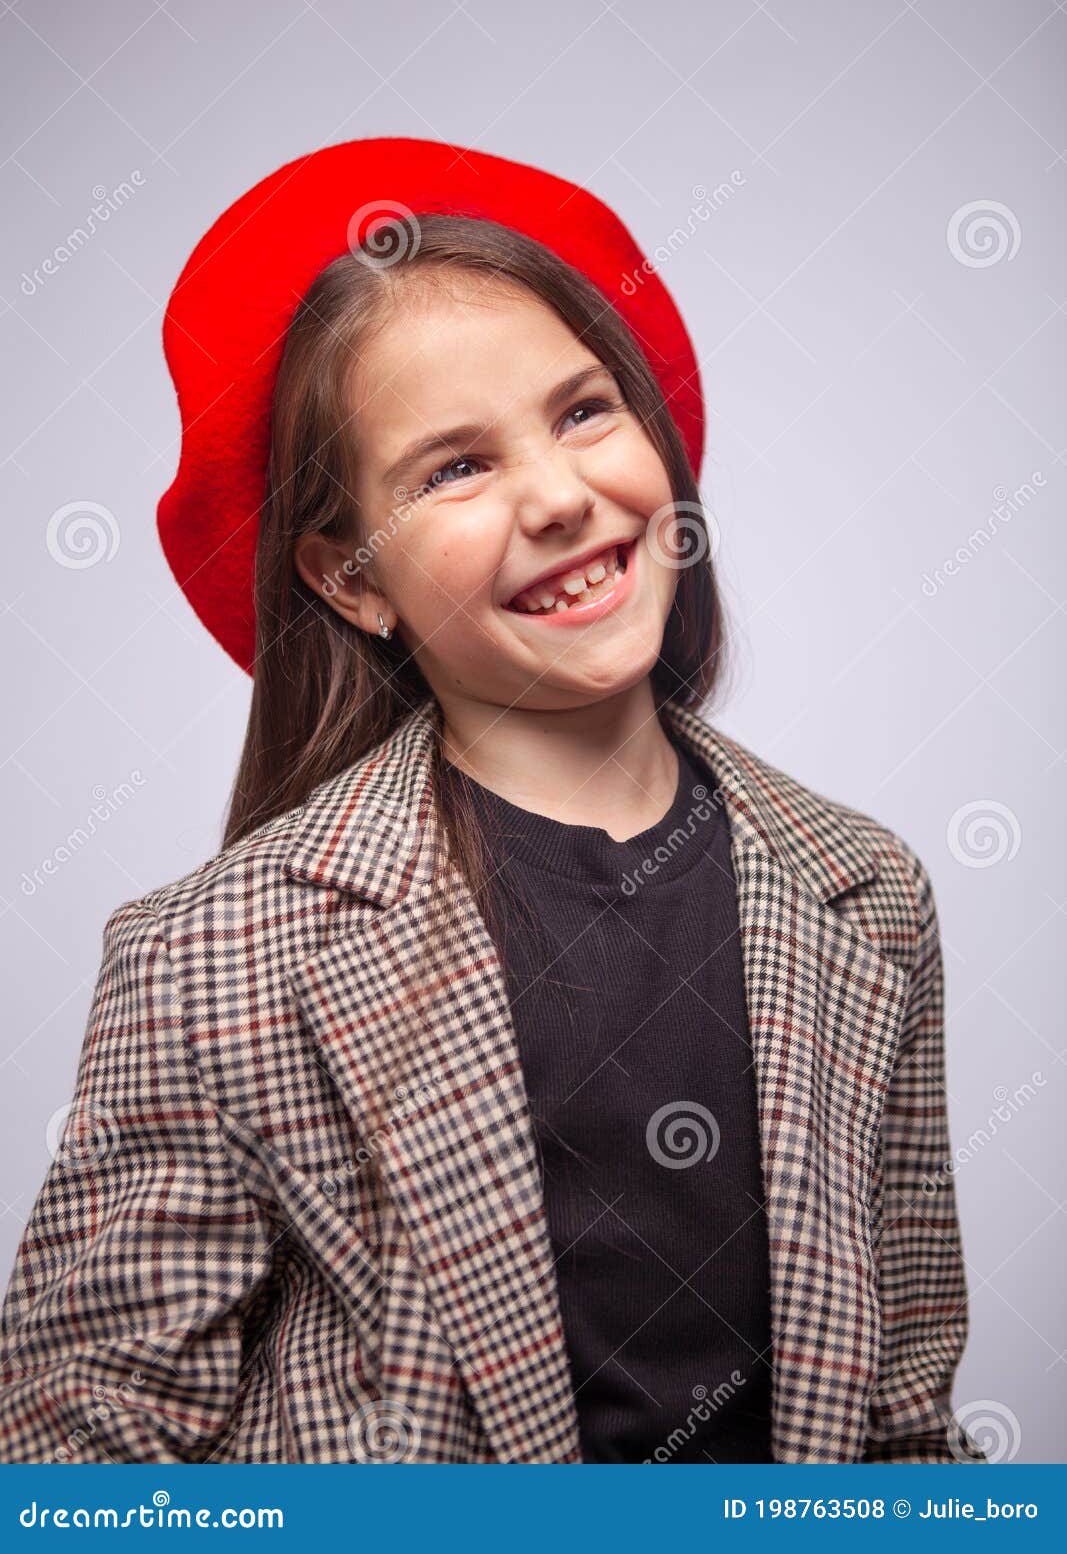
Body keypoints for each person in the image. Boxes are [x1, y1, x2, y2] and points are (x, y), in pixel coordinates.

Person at [0, 139, 985, 1465]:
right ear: (352, 577)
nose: (561, 495)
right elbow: (73, 1448)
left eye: (584, 411)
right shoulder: (213, 955)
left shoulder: (868, 891)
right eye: (455, 467)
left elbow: (901, 1422)